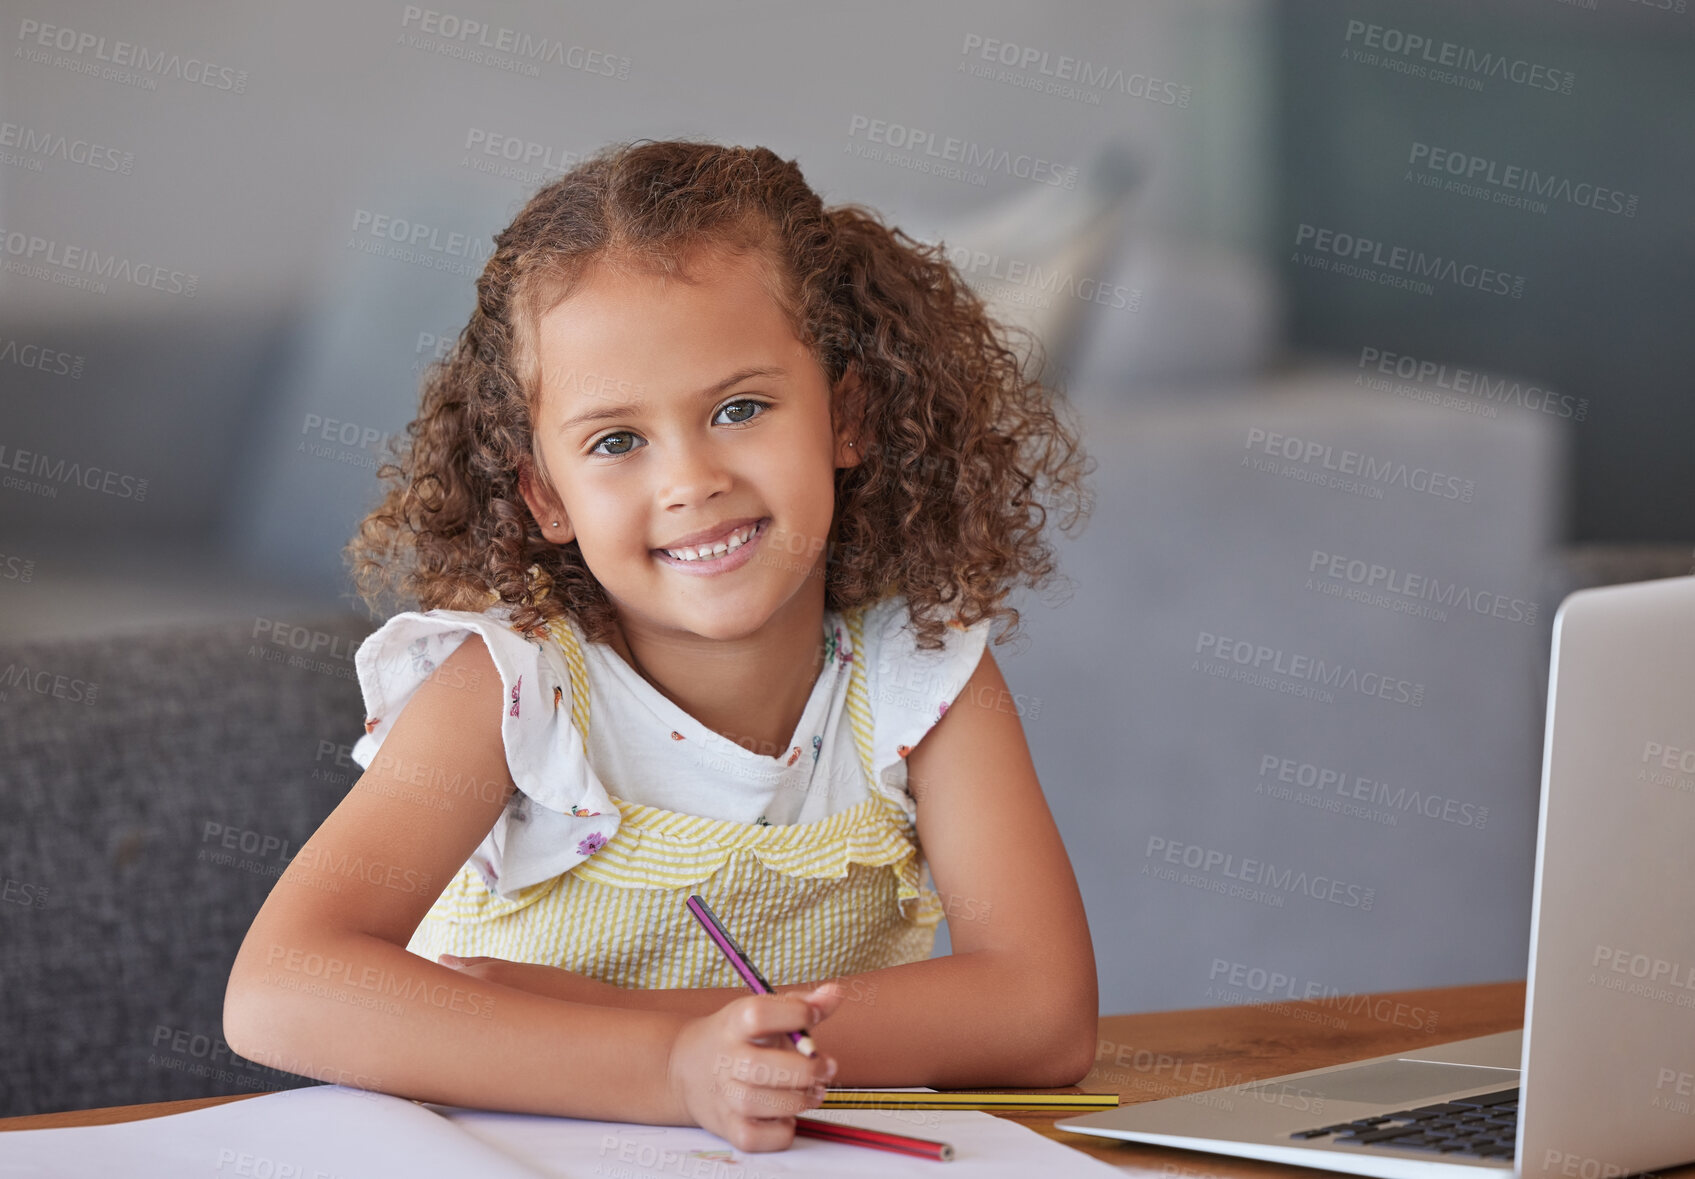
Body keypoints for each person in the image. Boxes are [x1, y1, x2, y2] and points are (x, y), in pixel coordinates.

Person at [225, 138, 1097, 1152]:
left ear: (844, 415)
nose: (690, 481)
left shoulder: (923, 674)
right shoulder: (513, 688)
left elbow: (1042, 1016)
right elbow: (281, 989)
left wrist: (661, 1035)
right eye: (617, 442)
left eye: (740, 409)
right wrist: (670, 1070)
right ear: (545, 494)